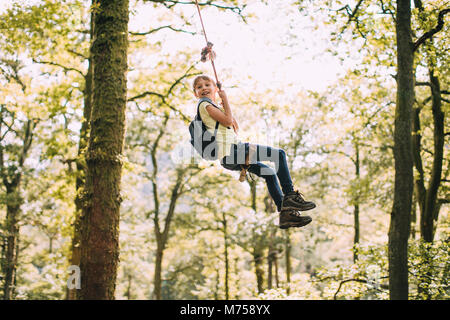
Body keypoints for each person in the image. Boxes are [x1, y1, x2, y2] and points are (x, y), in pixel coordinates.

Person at [192, 75, 316, 229]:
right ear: (195, 93)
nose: (203, 88)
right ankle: (290, 195)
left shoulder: (214, 106)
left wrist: (223, 103)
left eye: (207, 84)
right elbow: (228, 121)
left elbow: (234, 126)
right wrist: (226, 100)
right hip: (233, 152)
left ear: (215, 89)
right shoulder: (204, 104)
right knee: (279, 155)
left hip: (229, 157)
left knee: (269, 173)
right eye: (199, 87)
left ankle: (285, 214)